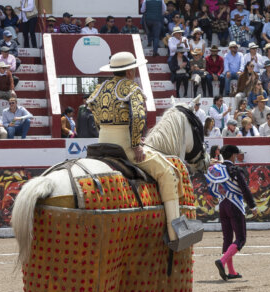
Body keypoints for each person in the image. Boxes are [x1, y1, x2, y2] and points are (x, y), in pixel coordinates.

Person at [85, 51, 198, 249]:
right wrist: (136, 143)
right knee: (169, 172)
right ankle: (175, 234)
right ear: (129, 71)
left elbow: (92, 112)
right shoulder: (132, 88)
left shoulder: (99, 88)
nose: (135, 72)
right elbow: (138, 117)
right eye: (134, 69)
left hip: (101, 145)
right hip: (124, 147)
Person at [206, 144, 255, 280]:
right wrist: (253, 206)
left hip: (222, 205)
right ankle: (222, 261)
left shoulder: (216, 169)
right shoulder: (235, 170)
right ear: (233, 155)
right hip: (235, 205)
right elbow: (245, 189)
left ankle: (232, 271)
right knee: (240, 238)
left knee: (227, 238)